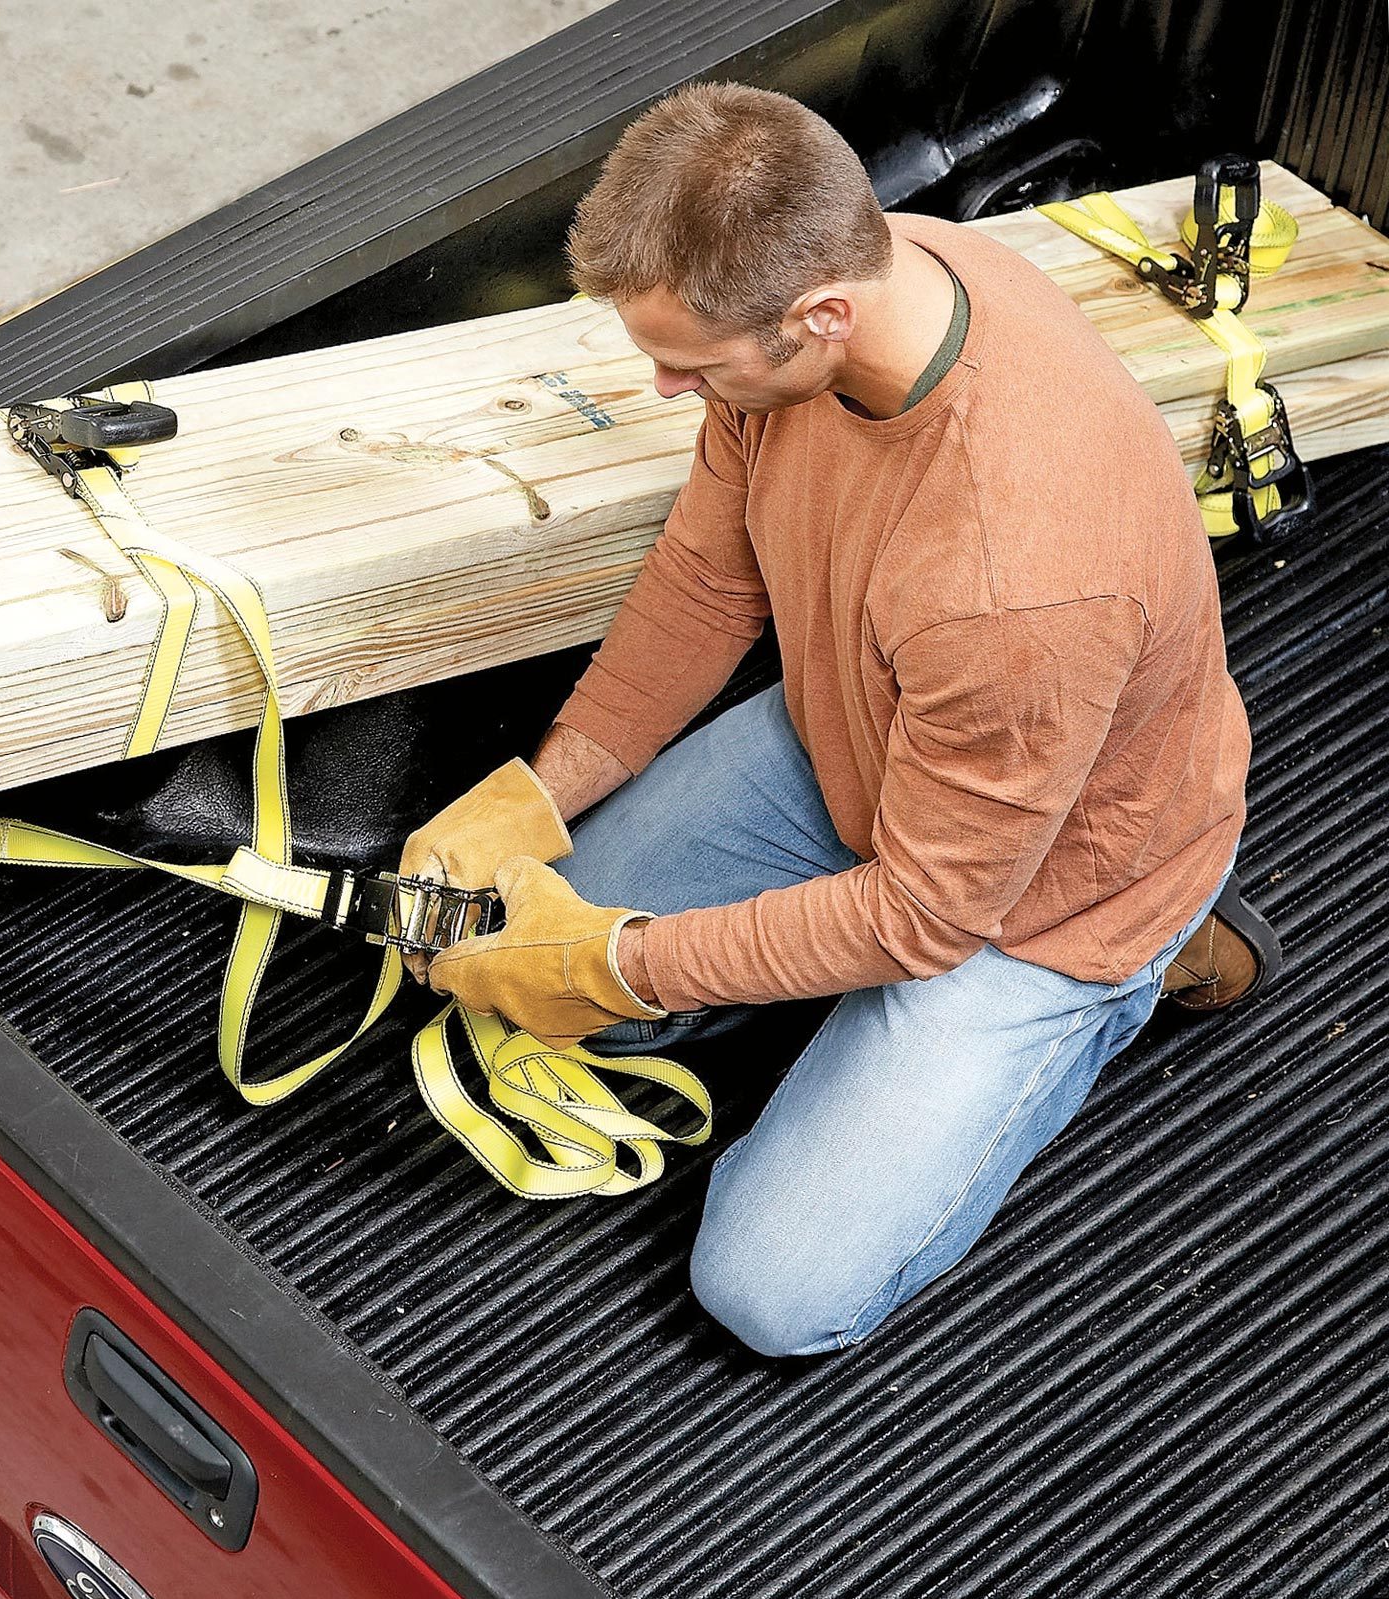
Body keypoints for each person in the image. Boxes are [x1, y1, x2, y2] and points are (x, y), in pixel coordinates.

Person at [398, 81, 1283, 1358]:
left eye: (689, 365)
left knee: (772, 1292)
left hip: (1029, 901)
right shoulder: (890, 276)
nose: (659, 387)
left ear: (819, 315)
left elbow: (927, 915)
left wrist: (612, 960)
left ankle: (1156, 953)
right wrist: (534, 797)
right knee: (516, 959)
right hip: (856, 746)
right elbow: (707, 579)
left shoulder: (1016, 579)